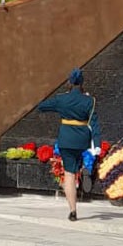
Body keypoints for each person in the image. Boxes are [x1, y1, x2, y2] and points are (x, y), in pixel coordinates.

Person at [36, 68, 101, 221]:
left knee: (69, 174)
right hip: (83, 139)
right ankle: (85, 168)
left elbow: (42, 106)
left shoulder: (61, 99)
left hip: (66, 139)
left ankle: (73, 211)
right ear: (82, 83)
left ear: (69, 82)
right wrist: (96, 144)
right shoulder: (89, 101)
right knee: (82, 159)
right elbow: (95, 124)